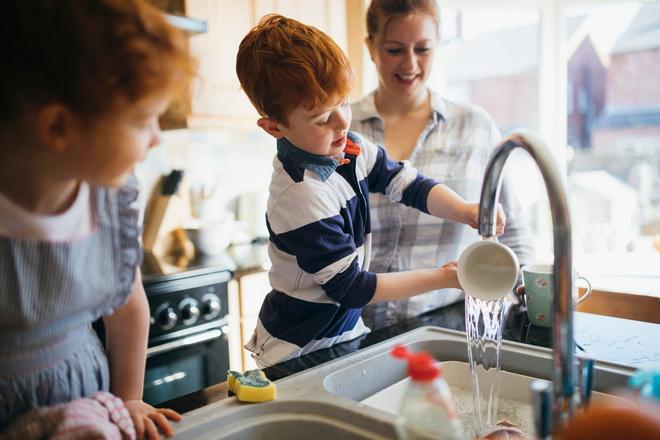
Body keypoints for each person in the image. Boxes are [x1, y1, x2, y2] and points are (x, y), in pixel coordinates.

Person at [235, 14, 506, 367]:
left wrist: (466, 211)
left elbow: (410, 185)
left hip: (345, 336)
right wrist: (445, 278)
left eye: (343, 103)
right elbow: (353, 288)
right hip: (298, 351)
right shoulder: (300, 196)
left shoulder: (349, 148)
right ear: (274, 127)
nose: (342, 122)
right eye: (321, 117)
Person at [0, 1, 194, 438]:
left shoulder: (111, 198)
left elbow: (127, 311)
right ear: (58, 129)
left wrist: (128, 399)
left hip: (88, 402)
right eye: (144, 120)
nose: (157, 137)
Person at [351, 0, 534, 329]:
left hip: (451, 324)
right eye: (394, 50)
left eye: (422, 49)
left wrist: (530, 301)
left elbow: (514, 233)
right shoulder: (343, 131)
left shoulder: (474, 127)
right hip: (356, 329)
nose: (410, 64)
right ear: (370, 46)